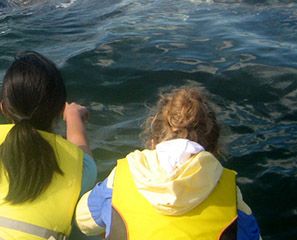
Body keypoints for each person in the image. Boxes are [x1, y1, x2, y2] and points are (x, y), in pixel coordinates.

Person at [75, 86, 262, 240]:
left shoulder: (122, 177)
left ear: (153, 143)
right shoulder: (230, 195)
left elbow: (82, 221)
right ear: (215, 150)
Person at [0, 51, 97, 240]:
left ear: (4, 108)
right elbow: (83, 152)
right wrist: (73, 117)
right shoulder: (81, 166)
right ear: (58, 112)